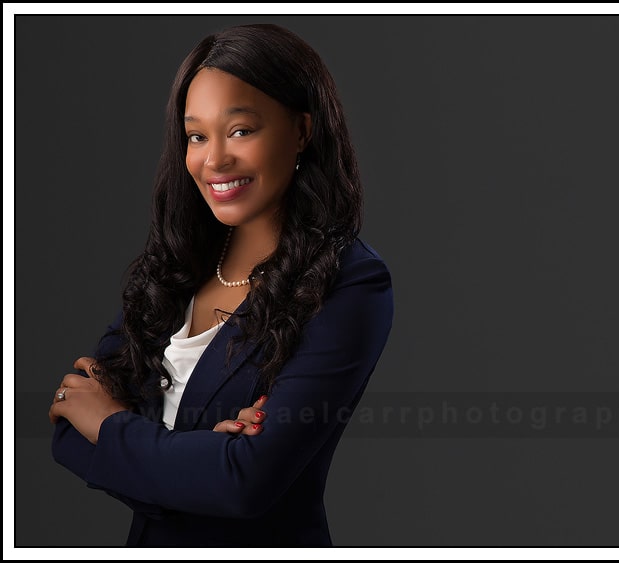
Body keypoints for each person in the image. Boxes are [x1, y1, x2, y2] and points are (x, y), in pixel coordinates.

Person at [48, 23, 393, 547]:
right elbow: (69, 429)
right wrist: (197, 464)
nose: (214, 161)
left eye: (240, 130)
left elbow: (245, 485)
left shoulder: (350, 282)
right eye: (196, 135)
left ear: (302, 130)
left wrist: (114, 427)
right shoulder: (177, 265)